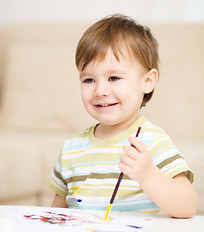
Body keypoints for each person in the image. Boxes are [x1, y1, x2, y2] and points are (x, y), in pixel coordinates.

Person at [48, 14, 197, 218]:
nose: (100, 90)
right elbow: (56, 212)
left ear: (147, 82)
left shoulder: (152, 142)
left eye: (114, 77)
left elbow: (188, 206)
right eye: (89, 80)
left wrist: (148, 175)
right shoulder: (71, 148)